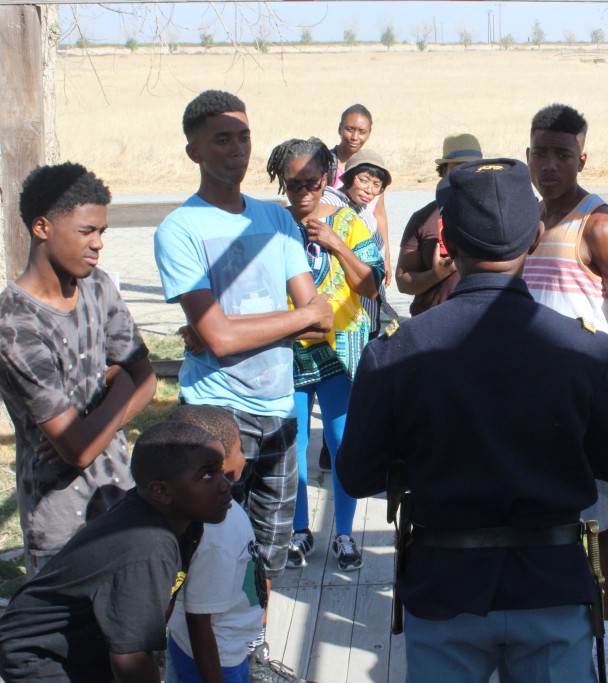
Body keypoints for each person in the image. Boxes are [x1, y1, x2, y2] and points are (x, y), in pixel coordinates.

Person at [337, 158, 608, 682]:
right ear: (536, 236)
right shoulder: (586, 347)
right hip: (550, 586)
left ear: (446, 243)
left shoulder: (397, 351)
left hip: (444, 588)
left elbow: (358, 474)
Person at [154, 90, 333, 664]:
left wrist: (227, 328)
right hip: (216, 412)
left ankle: (252, 656)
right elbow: (224, 338)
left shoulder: (276, 218)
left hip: (281, 410)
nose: (237, 150)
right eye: (222, 139)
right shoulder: (180, 230)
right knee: (206, 549)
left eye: (244, 137)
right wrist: (284, 320)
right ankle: (199, 665)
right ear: (193, 150)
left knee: (268, 553)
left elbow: (321, 319)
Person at [522, 103, 608, 682]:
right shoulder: (526, 222)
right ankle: (557, 624)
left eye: (562, 154)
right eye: (541, 153)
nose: (550, 165)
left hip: (587, 403)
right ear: (528, 155)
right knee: (546, 514)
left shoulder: (597, 226)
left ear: (581, 158)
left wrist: (587, 374)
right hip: (534, 405)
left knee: (605, 519)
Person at [0, 162, 156, 577]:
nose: (98, 243)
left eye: (101, 232)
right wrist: (122, 382)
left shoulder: (98, 285)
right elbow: (77, 448)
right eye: (87, 231)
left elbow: (148, 376)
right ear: (42, 227)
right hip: (60, 526)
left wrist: (123, 380)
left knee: (134, 640)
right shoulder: (16, 325)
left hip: (121, 500)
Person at [0, 420, 226, 683]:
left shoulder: (187, 523)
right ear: (162, 491)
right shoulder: (146, 547)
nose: (224, 484)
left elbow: (155, 612)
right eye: (207, 474)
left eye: (220, 470)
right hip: (39, 655)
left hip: (89, 646)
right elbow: (132, 658)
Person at [266, 137, 384, 572]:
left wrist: (335, 242)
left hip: (341, 353)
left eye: (311, 183)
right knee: (291, 447)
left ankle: (345, 535)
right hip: (288, 352)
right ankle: (298, 531)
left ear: (326, 178)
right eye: (292, 184)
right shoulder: (271, 224)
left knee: (342, 444)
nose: (302, 194)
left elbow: (372, 285)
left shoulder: (349, 222)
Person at [164, 404, 296, 683]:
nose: (246, 457)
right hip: (216, 658)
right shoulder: (215, 535)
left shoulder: (221, 509)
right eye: (240, 448)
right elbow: (199, 621)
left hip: (220, 645)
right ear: (217, 463)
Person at [394, 133, 483, 315]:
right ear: (443, 172)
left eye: (472, 168)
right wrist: (436, 275)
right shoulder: (423, 219)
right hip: (430, 322)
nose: (466, 175)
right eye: (458, 168)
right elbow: (403, 282)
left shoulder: (494, 214)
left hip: (478, 323)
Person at [328, 104, 392, 287]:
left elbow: (379, 213)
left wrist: (385, 255)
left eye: (362, 132)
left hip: (367, 245)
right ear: (340, 128)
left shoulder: (374, 167)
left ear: (369, 133)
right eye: (350, 129)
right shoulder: (327, 165)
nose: (355, 137)